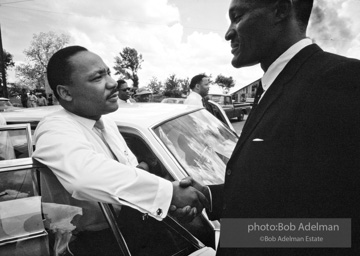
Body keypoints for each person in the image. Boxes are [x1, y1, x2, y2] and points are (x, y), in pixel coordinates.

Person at [178, 0, 360, 255]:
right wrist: (209, 196)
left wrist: (246, 235)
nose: (228, 32)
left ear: (281, 10)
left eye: (237, 16)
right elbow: (284, 188)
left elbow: (342, 229)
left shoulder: (341, 81)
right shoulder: (271, 85)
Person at [32, 46, 208, 255]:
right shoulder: (54, 128)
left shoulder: (107, 123)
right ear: (65, 93)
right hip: (92, 245)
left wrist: (167, 204)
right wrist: (168, 193)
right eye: (97, 78)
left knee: (205, 240)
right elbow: (85, 176)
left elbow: (129, 177)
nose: (113, 82)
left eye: (108, 72)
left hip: (132, 230)